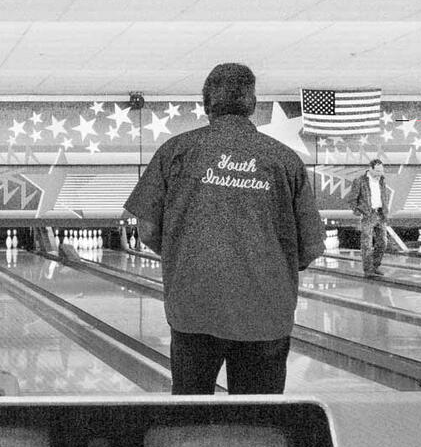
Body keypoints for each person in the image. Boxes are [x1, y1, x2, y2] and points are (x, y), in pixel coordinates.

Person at [123, 62, 324, 395]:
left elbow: (146, 229)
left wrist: (181, 251)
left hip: (194, 307)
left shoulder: (175, 151)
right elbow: (313, 246)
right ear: (253, 104)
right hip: (266, 312)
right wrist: (275, 265)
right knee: (257, 420)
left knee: (192, 414)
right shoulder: (285, 159)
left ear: (206, 104)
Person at [348, 158, 391, 278]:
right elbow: (352, 199)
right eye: (377, 171)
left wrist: (385, 210)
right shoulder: (360, 181)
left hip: (380, 214)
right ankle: (368, 270)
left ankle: (375, 266)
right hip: (368, 215)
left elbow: (383, 196)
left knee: (383, 242)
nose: (380, 173)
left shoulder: (382, 180)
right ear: (370, 169)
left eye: (381, 170)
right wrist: (359, 212)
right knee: (366, 244)